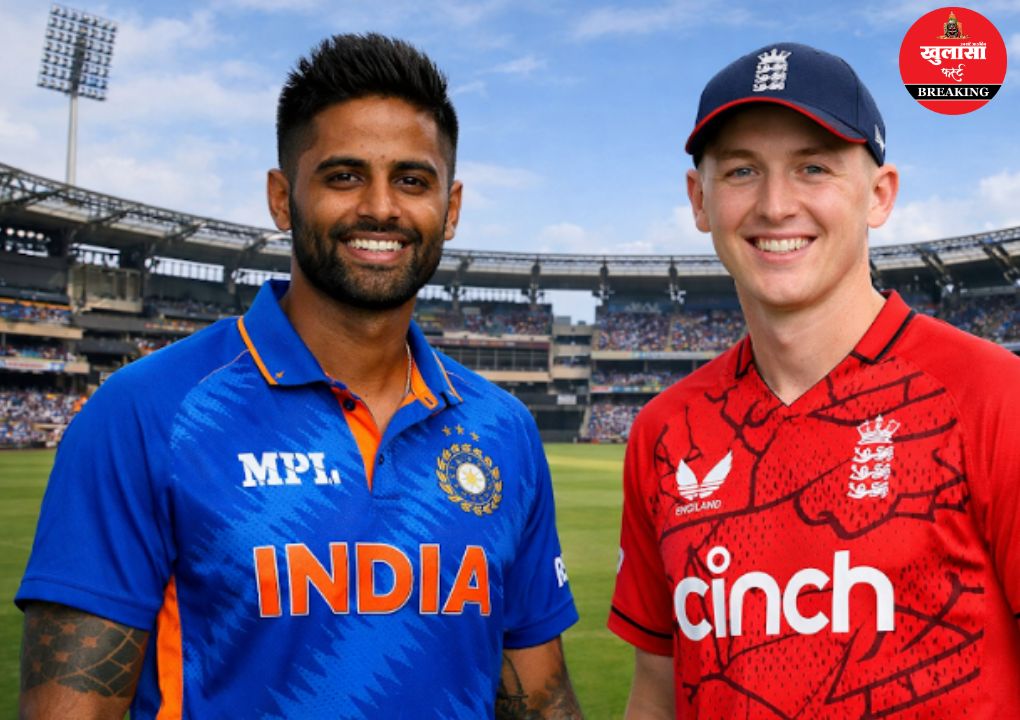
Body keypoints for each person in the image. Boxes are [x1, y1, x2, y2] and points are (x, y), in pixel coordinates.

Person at [17, 33, 582, 719]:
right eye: (344, 176)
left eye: (412, 180)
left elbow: (541, 700)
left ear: (451, 208)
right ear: (282, 199)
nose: (381, 207)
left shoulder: (503, 429)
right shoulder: (146, 414)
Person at [608, 42, 1020, 718]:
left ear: (879, 195)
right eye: (742, 170)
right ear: (699, 200)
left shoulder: (996, 398)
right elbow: (656, 689)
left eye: (814, 167)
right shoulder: (665, 431)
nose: (776, 205)